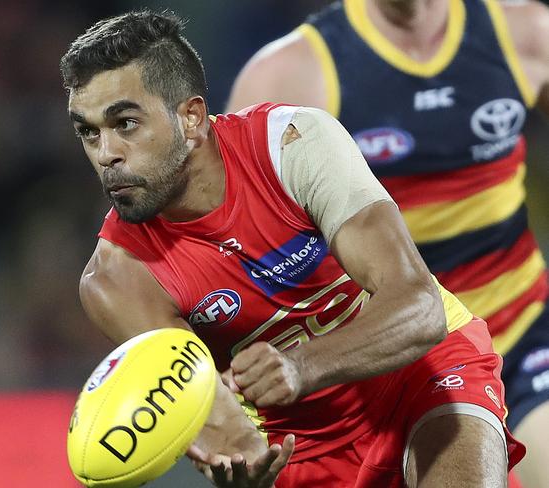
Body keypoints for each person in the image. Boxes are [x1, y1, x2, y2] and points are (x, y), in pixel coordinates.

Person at [60, 10, 524, 488]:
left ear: (191, 118)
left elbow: (421, 308)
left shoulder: (292, 144)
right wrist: (243, 467)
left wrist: (301, 366)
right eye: (89, 132)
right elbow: (232, 433)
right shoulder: (115, 280)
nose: (106, 154)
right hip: (300, 443)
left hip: (420, 375)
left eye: (126, 124)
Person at [226, 0, 549, 486]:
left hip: (521, 333)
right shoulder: (290, 74)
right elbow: (236, 253)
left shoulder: (527, 32)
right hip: (388, 362)